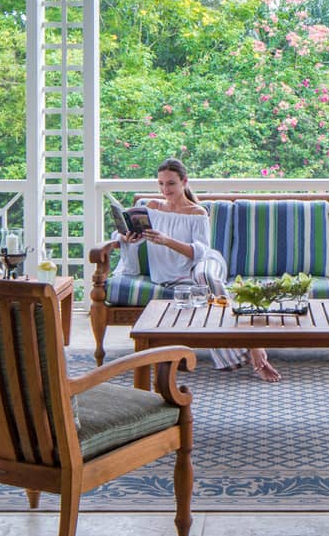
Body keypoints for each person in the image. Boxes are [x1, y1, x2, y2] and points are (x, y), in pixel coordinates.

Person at [112, 158, 281, 382]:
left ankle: (253, 346)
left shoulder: (197, 212)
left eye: (171, 183)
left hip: (204, 262)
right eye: (161, 184)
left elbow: (200, 253)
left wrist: (166, 240)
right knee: (202, 290)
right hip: (171, 275)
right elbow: (126, 235)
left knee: (204, 276)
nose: (165, 189)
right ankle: (251, 349)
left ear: (184, 182)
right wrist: (127, 237)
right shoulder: (151, 207)